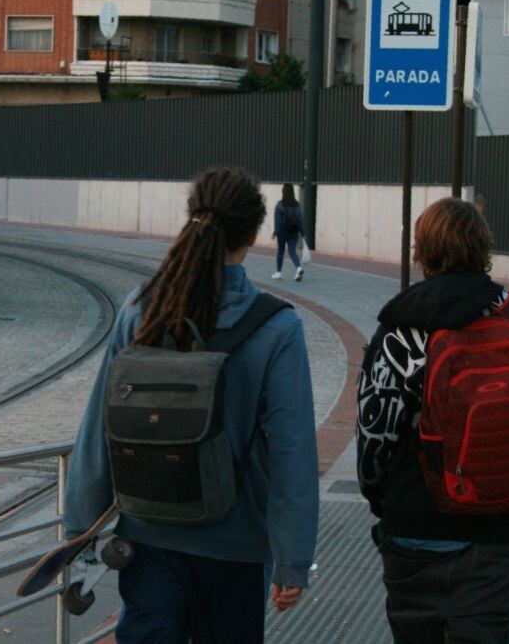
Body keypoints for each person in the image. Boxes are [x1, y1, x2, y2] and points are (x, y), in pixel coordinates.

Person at [65, 167, 319, 643]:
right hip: (237, 545)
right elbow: (293, 454)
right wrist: (293, 559)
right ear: (253, 233)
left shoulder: (142, 308)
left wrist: (80, 530)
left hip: (148, 533)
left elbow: (99, 426)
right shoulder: (277, 328)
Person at [357, 198, 509, 644]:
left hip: (415, 534)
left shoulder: (399, 330)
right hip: (498, 531)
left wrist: (384, 505)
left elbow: (375, 438)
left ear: (421, 252)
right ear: (483, 247)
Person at [271, 183, 306, 281]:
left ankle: (278, 272)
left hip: (282, 232)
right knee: (292, 252)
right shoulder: (296, 204)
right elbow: (300, 219)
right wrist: (303, 232)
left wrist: (275, 232)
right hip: (294, 232)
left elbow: (277, 220)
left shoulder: (280, 205)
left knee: (281, 251)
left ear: (283, 191)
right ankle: (298, 267)